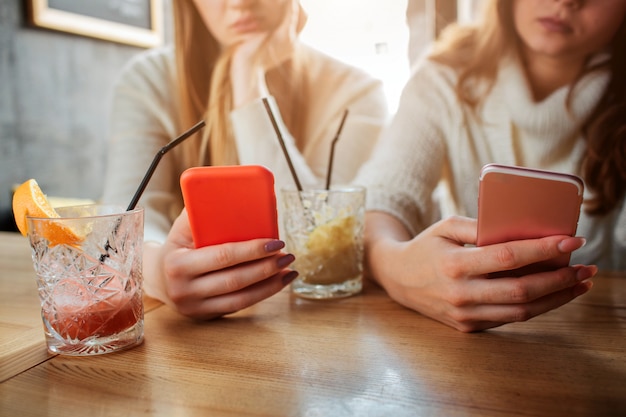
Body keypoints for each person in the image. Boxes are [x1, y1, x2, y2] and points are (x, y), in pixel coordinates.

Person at [101, 0, 388, 319]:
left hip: (321, 320)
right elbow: (119, 221)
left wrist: (249, 81)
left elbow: (311, 243)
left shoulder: (356, 93)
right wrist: (158, 272)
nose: (239, 3)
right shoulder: (149, 81)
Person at [355, 0, 626, 332]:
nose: (567, 1)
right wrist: (394, 266)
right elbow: (382, 200)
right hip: (474, 343)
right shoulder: (444, 76)